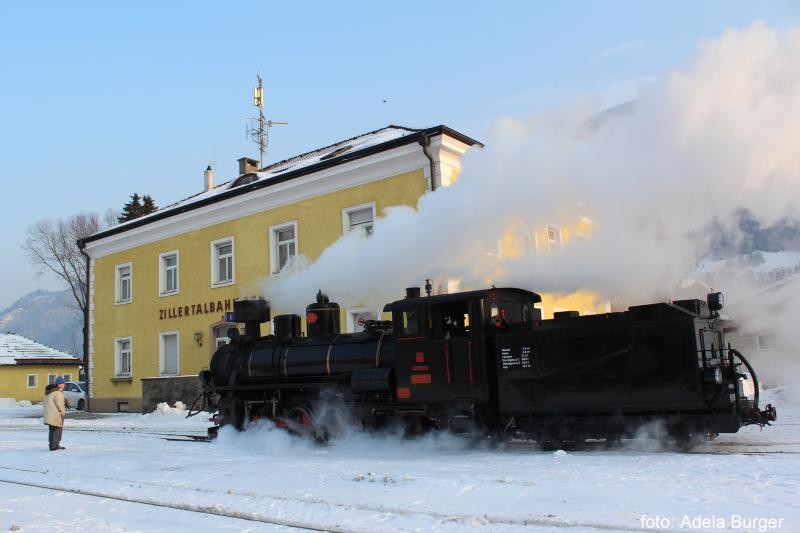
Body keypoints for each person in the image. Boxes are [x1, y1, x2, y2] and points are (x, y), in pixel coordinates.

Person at [43, 376, 66, 451]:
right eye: (63, 383)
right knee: (57, 430)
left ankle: (52, 445)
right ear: (59, 384)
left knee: (52, 430)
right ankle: (55, 446)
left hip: (50, 414)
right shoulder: (57, 393)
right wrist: (63, 412)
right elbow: (60, 404)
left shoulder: (49, 392)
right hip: (56, 415)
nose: (64, 385)